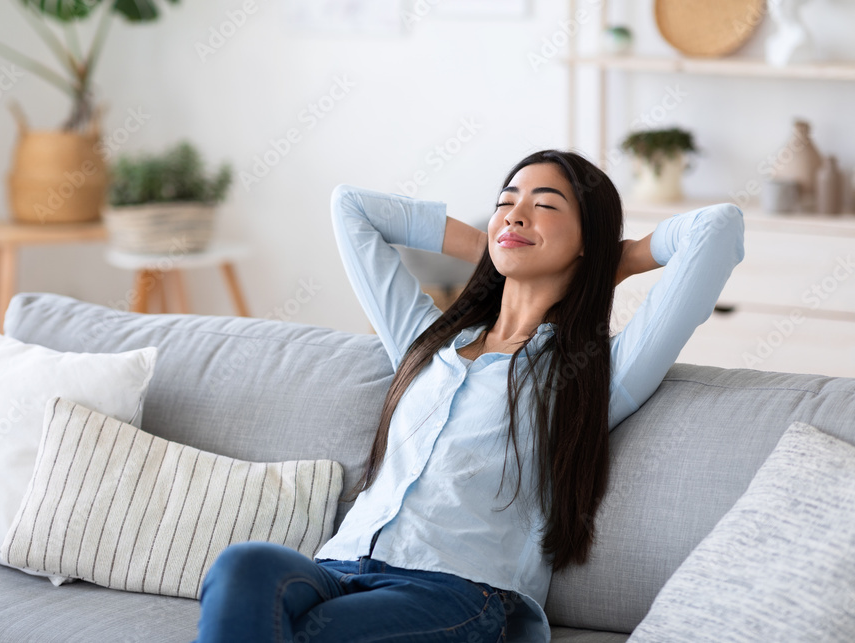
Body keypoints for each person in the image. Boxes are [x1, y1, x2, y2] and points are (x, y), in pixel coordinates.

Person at [193, 149, 745, 643]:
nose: (516, 215)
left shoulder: (592, 375)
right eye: (506, 203)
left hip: (454, 594)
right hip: (338, 569)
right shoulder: (426, 342)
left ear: (587, 239)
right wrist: (492, 246)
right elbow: (351, 207)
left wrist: (612, 260)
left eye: (544, 205)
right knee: (242, 566)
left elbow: (718, 228)